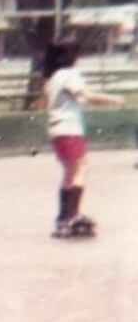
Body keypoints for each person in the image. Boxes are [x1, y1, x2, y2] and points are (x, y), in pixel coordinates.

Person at [42, 37, 125, 238]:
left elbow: (77, 98)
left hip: (56, 129)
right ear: (70, 56)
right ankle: (71, 216)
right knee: (80, 168)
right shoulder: (69, 75)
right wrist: (113, 99)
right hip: (69, 128)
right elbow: (86, 95)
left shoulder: (52, 78)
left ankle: (63, 216)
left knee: (70, 172)